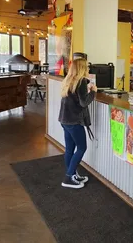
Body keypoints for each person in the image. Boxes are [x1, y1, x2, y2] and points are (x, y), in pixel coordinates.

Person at [58, 58, 97, 189]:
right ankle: (68, 177)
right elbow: (84, 103)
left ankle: (72, 174)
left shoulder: (68, 80)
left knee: (69, 149)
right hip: (74, 121)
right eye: (87, 67)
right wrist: (94, 91)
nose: (89, 69)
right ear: (82, 68)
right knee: (81, 148)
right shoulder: (80, 82)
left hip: (64, 120)